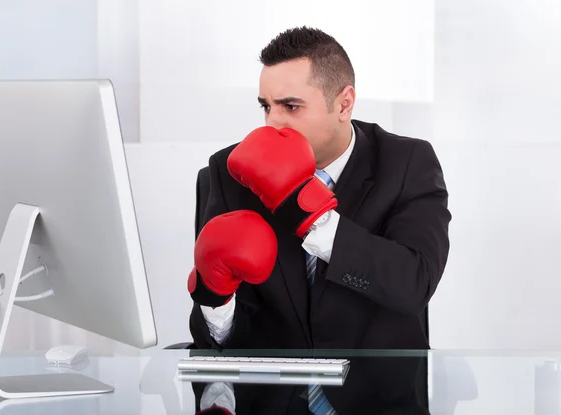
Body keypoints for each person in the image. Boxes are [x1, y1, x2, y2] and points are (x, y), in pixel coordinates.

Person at [187, 25, 450, 413]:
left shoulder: (406, 163)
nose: (271, 124)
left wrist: (306, 213)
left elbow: (413, 283)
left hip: (379, 403)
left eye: (291, 107)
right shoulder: (229, 171)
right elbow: (217, 342)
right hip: (269, 402)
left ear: (344, 104)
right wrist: (215, 297)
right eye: (266, 105)